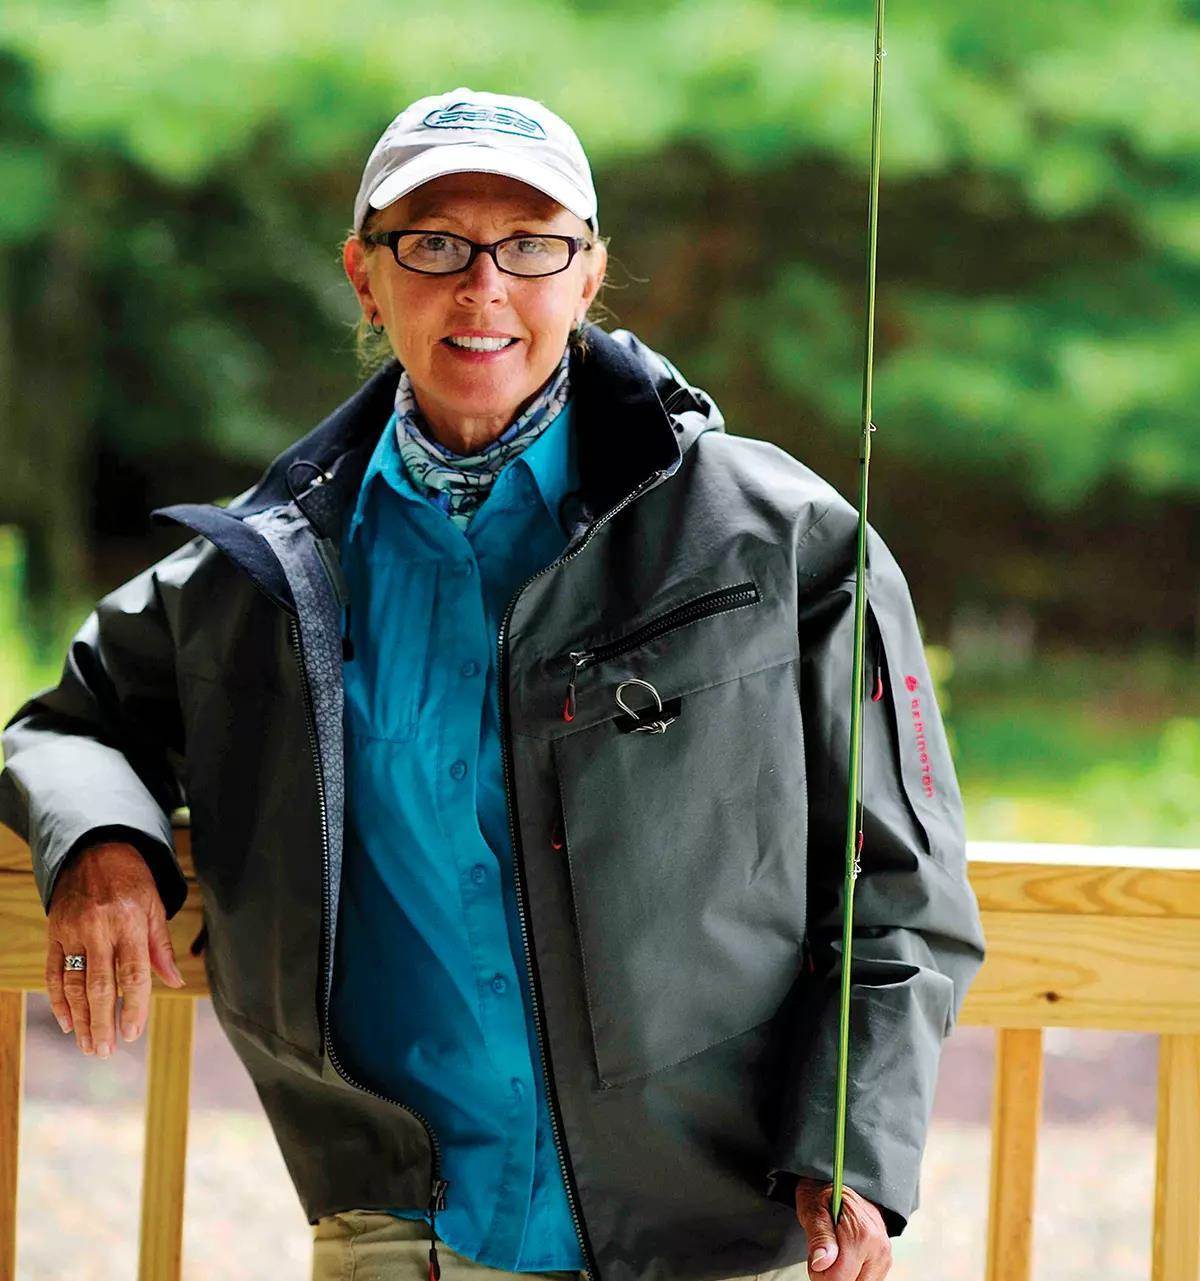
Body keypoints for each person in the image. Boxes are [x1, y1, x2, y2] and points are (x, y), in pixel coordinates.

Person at [0, 87, 987, 1281]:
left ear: (587, 275)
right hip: (399, 1232)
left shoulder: (778, 537)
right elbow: (69, 722)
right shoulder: (264, 571)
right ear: (366, 278)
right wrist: (104, 844)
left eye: (531, 246)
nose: (483, 287)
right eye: (434, 245)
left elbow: (899, 882)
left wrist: (851, 1149)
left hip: (711, 1229)